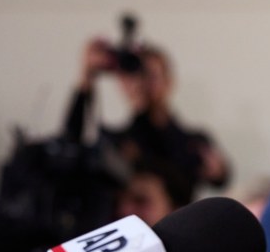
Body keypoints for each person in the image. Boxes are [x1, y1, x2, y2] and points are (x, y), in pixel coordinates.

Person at [67, 37, 230, 195]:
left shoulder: (193, 142)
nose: (142, 84)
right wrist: (87, 77)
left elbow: (217, 179)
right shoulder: (117, 142)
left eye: (151, 76)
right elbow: (71, 143)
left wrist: (218, 170)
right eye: (135, 76)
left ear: (169, 82)